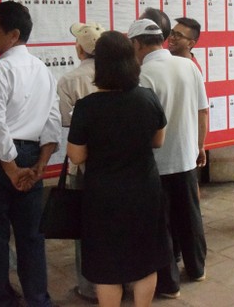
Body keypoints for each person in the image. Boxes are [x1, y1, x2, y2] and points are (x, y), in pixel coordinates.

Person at [67, 31, 170, 307]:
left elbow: (75, 156)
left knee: (106, 263)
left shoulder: (87, 107)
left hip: (103, 195)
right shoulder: (147, 98)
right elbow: (158, 140)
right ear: (132, 60)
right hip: (145, 190)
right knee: (145, 259)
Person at [0, 1, 61, 307]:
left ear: (14, 34)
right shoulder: (43, 71)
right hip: (30, 157)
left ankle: (3, 299)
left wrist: (11, 170)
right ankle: (38, 299)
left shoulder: (0, 70)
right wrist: (38, 166)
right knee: (31, 235)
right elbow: (52, 122)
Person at [129, 18, 208, 299]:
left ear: (137, 44)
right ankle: (198, 269)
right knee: (190, 216)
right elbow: (202, 110)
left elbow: (141, 125)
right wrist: (200, 147)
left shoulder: (142, 75)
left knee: (160, 224)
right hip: (186, 156)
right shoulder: (188, 66)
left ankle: (169, 284)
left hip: (157, 163)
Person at [57, 22, 105, 303]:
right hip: (112, 161)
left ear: (79, 49)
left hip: (81, 160)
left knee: (84, 226)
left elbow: (65, 120)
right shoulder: (117, 76)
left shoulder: (69, 80)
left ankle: (88, 287)